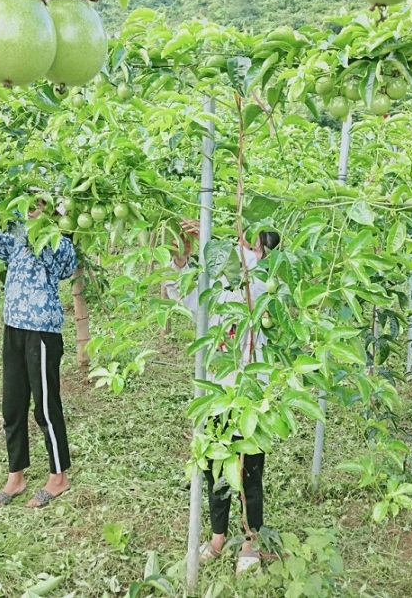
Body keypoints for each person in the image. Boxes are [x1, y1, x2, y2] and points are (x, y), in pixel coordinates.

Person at [164, 219, 281, 575]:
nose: (244, 243)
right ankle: (218, 537)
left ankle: (250, 539)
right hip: (218, 389)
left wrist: (215, 241)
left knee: (250, 470)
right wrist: (183, 259)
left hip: (251, 391)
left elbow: (252, 274)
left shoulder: (263, 281)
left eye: (254, 241)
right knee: (215, 467)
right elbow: (182, 292)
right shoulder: (219, 277)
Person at [0, 200, 78, 508]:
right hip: (13, 326)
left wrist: (41, 227)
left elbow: (65, 267)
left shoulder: (58, 237)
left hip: (42, 330)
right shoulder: (15, 233)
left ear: (51, 208)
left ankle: (59, 477)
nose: (32, 209)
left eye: (39, 204)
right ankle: (16, 476)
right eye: (29, 202)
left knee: (46, 407)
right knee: (12, 406)